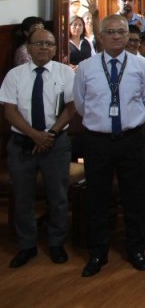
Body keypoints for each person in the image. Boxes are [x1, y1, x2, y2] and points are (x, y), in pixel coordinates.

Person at [73, 14, 145, 277]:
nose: (117, 36)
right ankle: (98, 252)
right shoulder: (86, 67)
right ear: (101, 36)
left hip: (130, 139)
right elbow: (81, 104)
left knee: (134, 196)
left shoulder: (141, 66)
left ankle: (136, 249)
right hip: (97, 141)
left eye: (122, 32)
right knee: (97, 198)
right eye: (111, 32)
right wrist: (101, 123)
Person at [1, 28, 77, 268]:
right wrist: (35, 136)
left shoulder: (65, 73)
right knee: (23, 197)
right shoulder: (15, 75)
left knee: (58, 196)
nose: (44, 48)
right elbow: (9, 111)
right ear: (29, 47)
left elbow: (71, 107)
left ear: (55, 48)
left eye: (49, 44)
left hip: (56, 142)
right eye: (39, 43)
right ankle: (27, 245)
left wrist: (51, 134)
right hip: (22, 142)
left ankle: (56, 243)